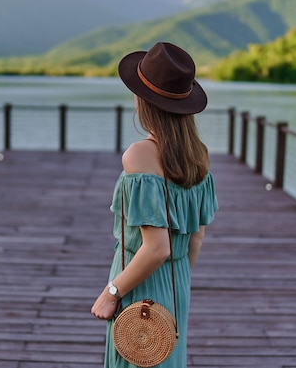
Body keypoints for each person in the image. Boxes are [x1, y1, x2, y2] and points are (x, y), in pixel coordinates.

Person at [91, 42, 219, 367]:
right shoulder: (198, 156)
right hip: (177, 282)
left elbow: (156, 247)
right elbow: (197, 237)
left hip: (139, 280)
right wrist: (175, 279)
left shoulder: (140, 156)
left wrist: (112, 291)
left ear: (144, 101)